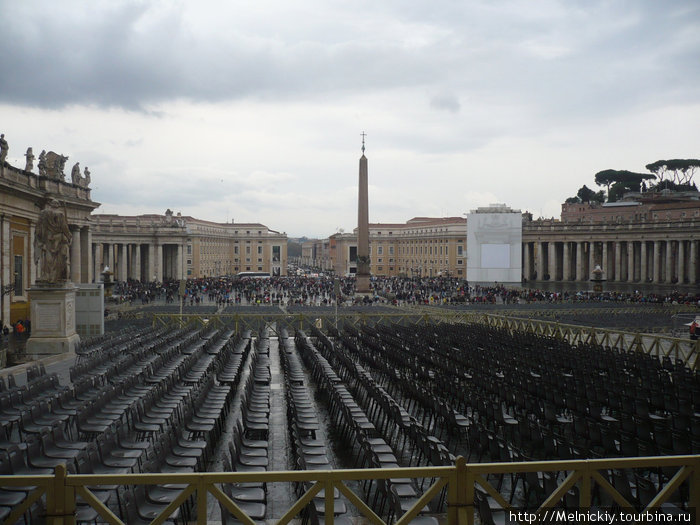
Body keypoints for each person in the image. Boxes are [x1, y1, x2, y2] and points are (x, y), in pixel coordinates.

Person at [34, 198, 72, 283]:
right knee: (57, 257)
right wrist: (69, 235)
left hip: (47, 237)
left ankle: (47, 275)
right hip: (57, 237)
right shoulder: (60, 214)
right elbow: (64, 227)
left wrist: (40, 238)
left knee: (47, 255)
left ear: (51, 204)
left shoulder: (43, 213)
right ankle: (54, 276)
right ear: (57, 205)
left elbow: (39, 227)